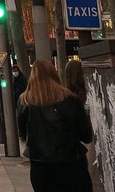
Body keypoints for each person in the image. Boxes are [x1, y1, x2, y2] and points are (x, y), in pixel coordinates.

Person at [18, 60, 93, 192]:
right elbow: (86, 136)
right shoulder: (71, 99)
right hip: (72, 163)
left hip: (40, 166)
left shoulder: (25, 101)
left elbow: (23, 134)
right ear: (55, 74)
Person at [64, 60, 100, 191]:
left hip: (78, 142)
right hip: (92, 135)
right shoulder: (91, 90)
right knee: (94, 174)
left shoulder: (66, 96)